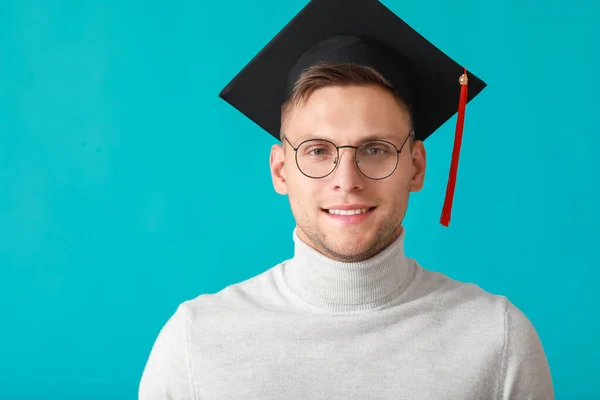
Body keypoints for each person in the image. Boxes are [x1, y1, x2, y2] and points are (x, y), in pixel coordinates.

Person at [139, 0, 554, 398]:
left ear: (416, 166)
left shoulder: (498, 341)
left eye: (375, 149)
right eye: (318, 150)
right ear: (280, 169)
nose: (347, 180)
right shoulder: (195, 342)